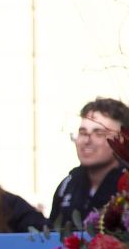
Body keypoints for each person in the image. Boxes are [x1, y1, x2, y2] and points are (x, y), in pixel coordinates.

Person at [49, 97, 128, 233]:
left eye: (99, 133)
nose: (87, 140)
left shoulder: (126, 183)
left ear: (122, 139)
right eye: (82, 132)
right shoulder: (68, 185)